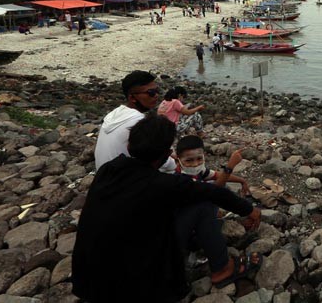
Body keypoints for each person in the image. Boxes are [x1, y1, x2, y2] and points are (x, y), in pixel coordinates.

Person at [72, 114, 262, 303]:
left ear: (129, 146)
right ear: (165, 156)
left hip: (87, 282)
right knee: (204, 204)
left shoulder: (108, 170)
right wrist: (250, 210)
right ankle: (222, 268)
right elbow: (215, 193)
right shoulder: (162, 184)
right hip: (133, 288)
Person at [94, 70, 176, 172]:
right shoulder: (138, 123)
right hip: (123, 183)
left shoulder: (113, 115)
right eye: (150, 93)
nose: (156, 95)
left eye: (157, 91)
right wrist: (177, 164)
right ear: (132, 98)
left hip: (103, 177)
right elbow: (160, 160)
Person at [176, 135, 250, 194]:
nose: (195, 164)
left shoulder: (198, 171)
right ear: (178, 159)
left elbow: (216, 175)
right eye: (189, 160)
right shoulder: (181, 179)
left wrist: (242, 181)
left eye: (199, 159)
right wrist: (230, 166)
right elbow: (213, 191)